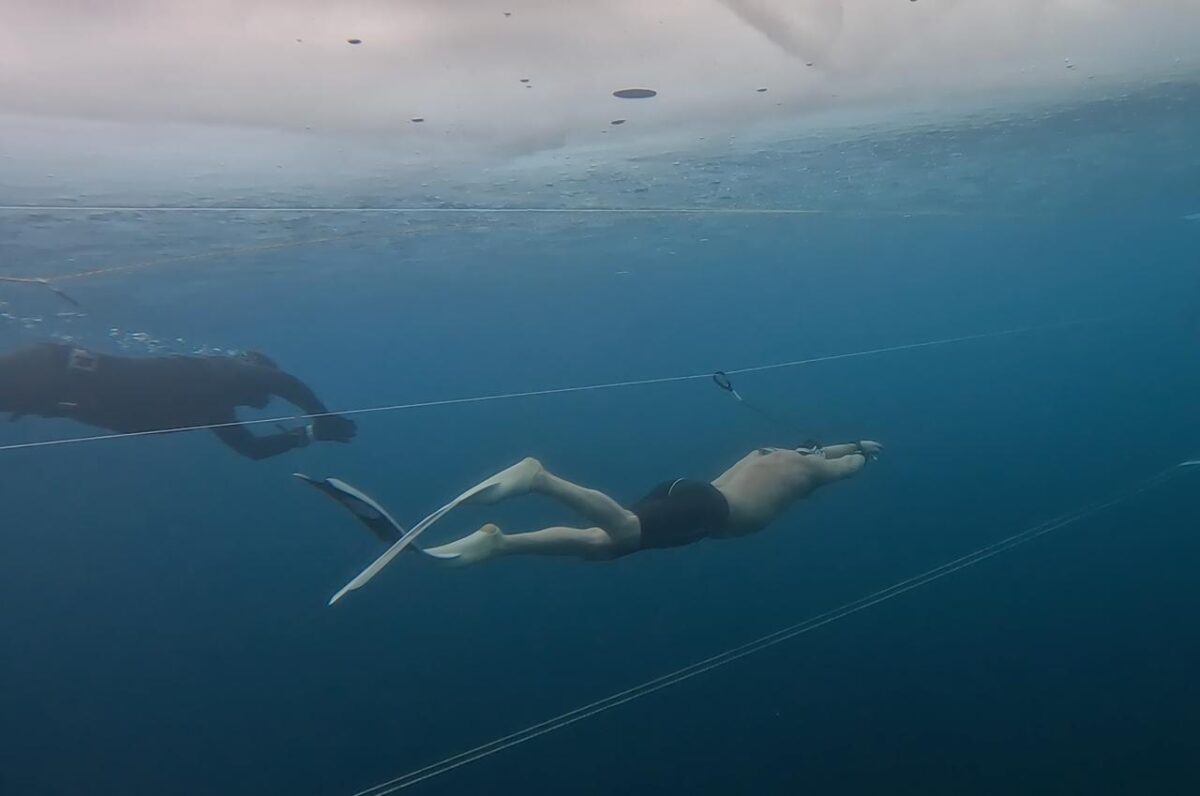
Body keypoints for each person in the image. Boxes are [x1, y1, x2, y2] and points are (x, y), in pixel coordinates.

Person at [310, 441, 882, 568]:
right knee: (627, 532)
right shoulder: (808, 469)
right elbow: (841, 466)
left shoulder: (774, 452)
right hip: (714, 512)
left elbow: (823, 448)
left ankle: (500, 542)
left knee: (605, 544)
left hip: (686, 488)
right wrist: (861, 456)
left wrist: (845, 442)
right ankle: (540, 480)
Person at [0, 342, 356, 459]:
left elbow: (251, 450)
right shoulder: (217, 371)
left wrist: (308, 434)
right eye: (259, 393)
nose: (263, 400)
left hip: (50, 394)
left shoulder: (216, 406)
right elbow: (281, 381)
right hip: (55, 369)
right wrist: (322, 415)